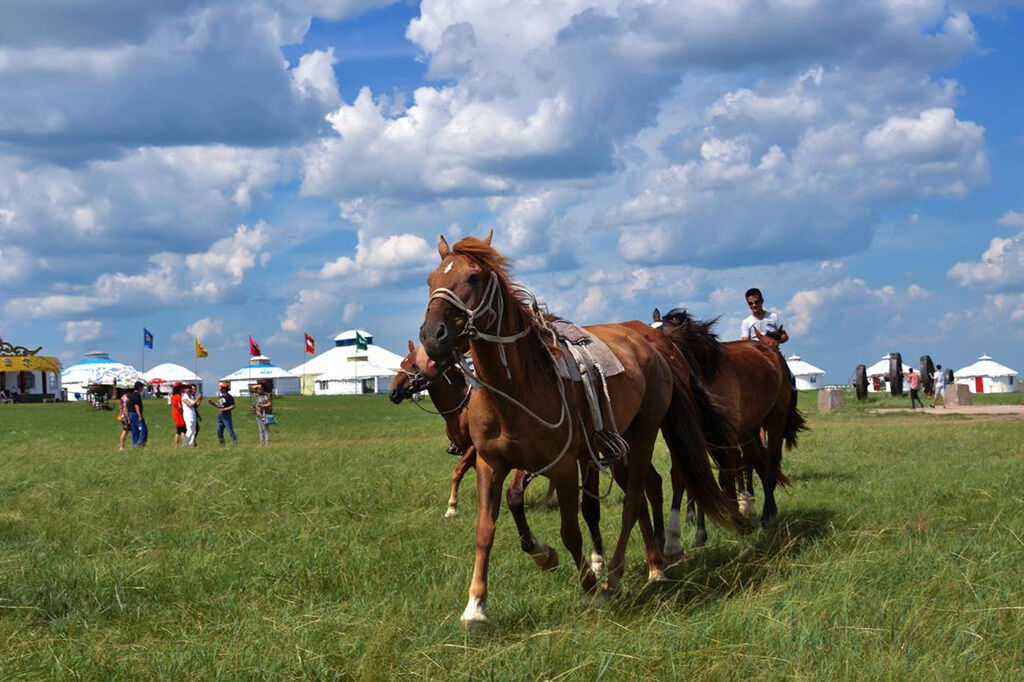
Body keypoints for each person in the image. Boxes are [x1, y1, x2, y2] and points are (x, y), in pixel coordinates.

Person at [210, 381, 238, 446]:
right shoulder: (221, 397)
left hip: (226, 415)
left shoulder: (229, 396)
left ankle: (235, 443)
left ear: (224, 389)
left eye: (221, 388)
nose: (220, 389)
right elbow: (220, 406)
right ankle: (222, 444)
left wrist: (225, 409)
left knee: (229, 429)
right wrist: (213, 404)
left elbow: (233, 406)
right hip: (220, 415)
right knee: (219, 430)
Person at [127, 381, 148, 447]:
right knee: (143, 429)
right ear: (139, 387)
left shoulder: (132, 395)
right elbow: (136, 406)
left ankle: (135, 444)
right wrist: (139, 416)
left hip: (131, 414)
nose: (142, 388)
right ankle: (140, 444)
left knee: (135, 430)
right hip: (135, 414)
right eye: (142, 386)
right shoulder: (137, 395)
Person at [253, 382, 273, 446]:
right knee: (260, 429)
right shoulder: (256, 395)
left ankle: (267, 443)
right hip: (258, 414)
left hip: (265, 414)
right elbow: (252, 388)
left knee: (265, 429)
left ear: (262, 388)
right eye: (257, 388)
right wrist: (254, 408)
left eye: (259, 388)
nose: (257, 389)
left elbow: (270, 403)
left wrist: (262, 406)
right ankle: (262, 442)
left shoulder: (266, 395)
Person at [170, 382, 186, 447]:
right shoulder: (178, 396)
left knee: (179, 430)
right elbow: (179, 406)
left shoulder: (173, 396)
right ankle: (184, 444)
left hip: (175, 414)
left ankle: (177, 445)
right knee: (183, 430)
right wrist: (183, 412)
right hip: (179, 415)